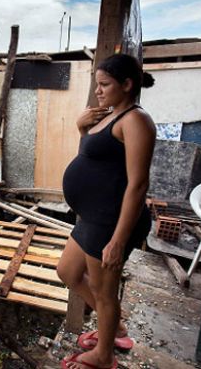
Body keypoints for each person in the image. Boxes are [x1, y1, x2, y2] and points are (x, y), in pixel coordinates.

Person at [58, 53, 156, 369]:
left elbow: (138, 184)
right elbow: (94, 162)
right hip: (92, 217)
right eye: (97, 84)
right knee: (68, 272)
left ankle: (103, 355)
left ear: (127, 84)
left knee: (104, 292)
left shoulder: (136, 121)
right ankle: (115, 326)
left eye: (105, 84)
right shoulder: (111, 116)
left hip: (110, 222)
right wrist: (82, 129)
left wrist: (118, 240)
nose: (98, 91)